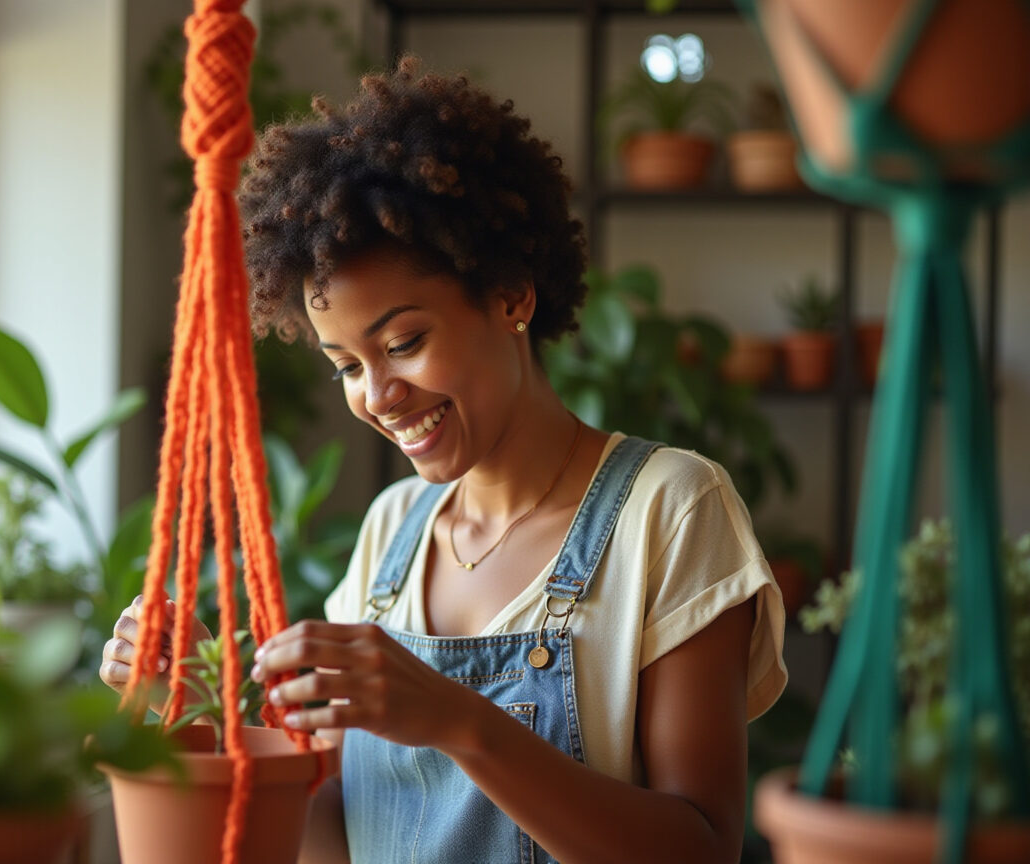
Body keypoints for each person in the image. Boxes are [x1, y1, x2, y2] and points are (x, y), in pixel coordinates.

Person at [101, 57, 788, 864]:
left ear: (510, 296)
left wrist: (458, 722)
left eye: (404, 343)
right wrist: (194, 720)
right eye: (348, 365)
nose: (378, 395)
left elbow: (700, 848)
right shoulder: (393, 532)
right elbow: (338, 835)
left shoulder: (671, 508)